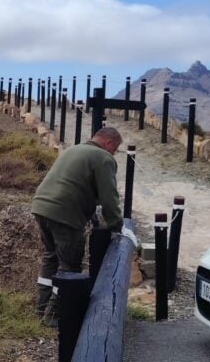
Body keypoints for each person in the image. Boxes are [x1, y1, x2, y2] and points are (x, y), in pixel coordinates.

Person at [30, 127, 137, 326]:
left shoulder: (74, 150)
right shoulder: (103, 158)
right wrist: (117, 225)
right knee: (69, 267)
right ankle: (54, 317)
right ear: (109, 143)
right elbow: (109, 197)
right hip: (65, 214)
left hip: (41, 207)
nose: (114, 153)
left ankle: (40, 308)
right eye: (115, 149)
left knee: (50, 257)